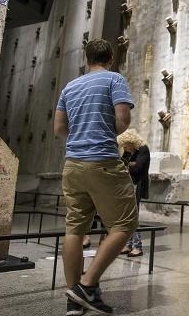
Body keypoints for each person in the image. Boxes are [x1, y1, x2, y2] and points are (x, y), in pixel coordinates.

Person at [54, 39, 138, 315]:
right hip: (102, 161)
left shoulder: (70, 87)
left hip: (72, 165)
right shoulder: (114, 79)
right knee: (125, 224)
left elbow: (58, 127)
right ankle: (87, 286)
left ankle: (73, 300)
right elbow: (123, 120)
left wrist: (80, 136)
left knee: (74, 228)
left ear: (86, 58)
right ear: (111, 58)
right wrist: (101, 133)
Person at [117, 129, 150, 257]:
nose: (124, 148)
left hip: (138, 185)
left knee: (133, 216)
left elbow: (138, 168)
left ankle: (137, 246)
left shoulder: (143, 149)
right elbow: (121, 163)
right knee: (127, 216)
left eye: (125, 145)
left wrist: (128, 165)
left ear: (131, 142)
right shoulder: (129, 151)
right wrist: (129, 164)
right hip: (128, 186)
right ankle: (128, 244)